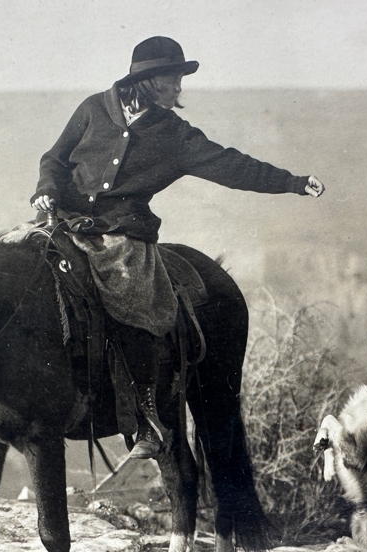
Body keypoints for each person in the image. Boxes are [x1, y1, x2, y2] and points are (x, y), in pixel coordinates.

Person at [31, 36, 324, 459]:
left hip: (123, 236)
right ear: (149, 81)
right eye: (174, 79)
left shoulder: (174, 134)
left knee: (135, 299)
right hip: (61, 223)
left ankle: (146, 414)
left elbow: (231, 165)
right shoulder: (94, 108)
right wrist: (45, 190)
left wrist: (292, 183)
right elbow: (54, 159)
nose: (180, 89)